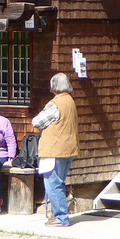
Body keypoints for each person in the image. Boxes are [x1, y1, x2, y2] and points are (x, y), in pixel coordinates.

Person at [34, 72, 78, 227]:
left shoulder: (56, 103)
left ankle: (61, 216)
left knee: (52, 183)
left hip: (55, 149)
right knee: (58, 182)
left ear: (54, 86)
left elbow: (37, 122)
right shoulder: (70, 101)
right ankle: (59, 214)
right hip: (68, 149)